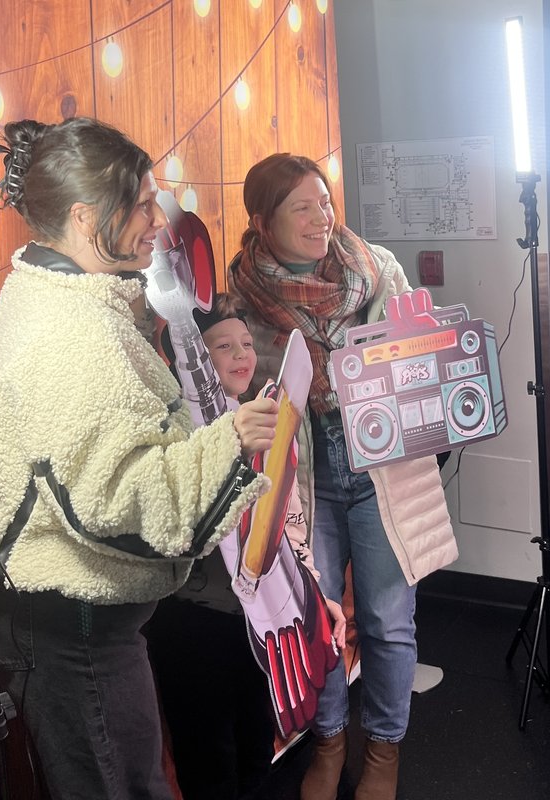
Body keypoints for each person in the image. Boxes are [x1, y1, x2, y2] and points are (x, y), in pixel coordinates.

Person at [0, 116, 279, 800]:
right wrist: (234, 439)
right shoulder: (68, 334)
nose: (157, 220)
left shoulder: (70, 299)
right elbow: (115, 498)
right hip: (71, 636)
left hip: (84, 629)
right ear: (81, 215)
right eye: (139, 204)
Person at [226, 153, 457, 800]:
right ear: (262, 221)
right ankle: (328, 744)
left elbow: (418, 355)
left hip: (380, 469)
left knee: (388, 617)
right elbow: (235, 393)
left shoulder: (375, 268)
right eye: (301, 206)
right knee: (318, 621)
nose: (320, 217)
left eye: (324, 203)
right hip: (304, 480)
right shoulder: (239, 298)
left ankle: (383, 751)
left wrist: (416, 347)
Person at [146, 295, 346, 800]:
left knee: (257, 751)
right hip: (192, 624)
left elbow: (290, 524)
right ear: (190, 357)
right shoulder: (177, 436)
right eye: (222, 346)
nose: (241, 355)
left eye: (245, 344)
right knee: (209, 763)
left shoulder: (271, 421)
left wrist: (316, 596)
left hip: (257, 624)